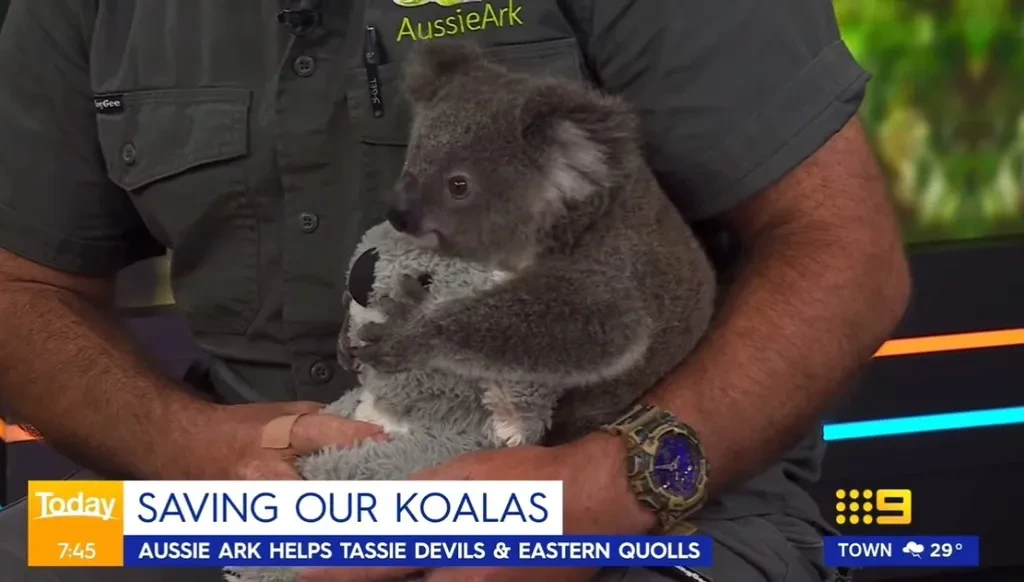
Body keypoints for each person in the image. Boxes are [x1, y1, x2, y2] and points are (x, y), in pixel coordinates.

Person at [0, 1, 910, 581]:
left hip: (632, 501)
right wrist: (184, 445)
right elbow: (21, 285)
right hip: (239, 502)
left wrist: (602, 487)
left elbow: (843, 252)